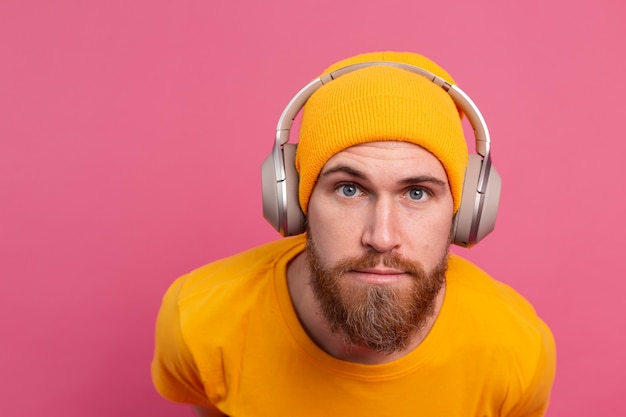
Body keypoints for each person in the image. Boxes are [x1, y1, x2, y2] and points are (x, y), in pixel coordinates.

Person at [151, 51, 556, 417]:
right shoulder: (199, 322)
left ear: (465, 213)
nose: (381, 237)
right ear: (295, 203)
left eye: (417, 193)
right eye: (349, 189)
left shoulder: (516, 350)